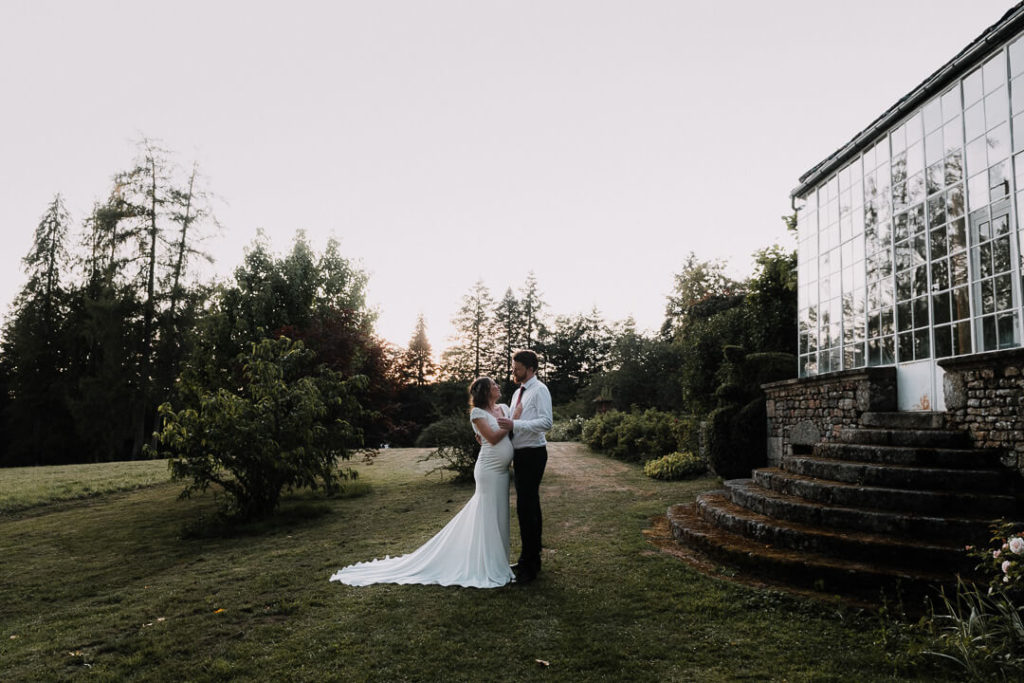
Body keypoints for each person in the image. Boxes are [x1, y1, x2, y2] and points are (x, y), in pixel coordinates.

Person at [329, 377, 516, 588]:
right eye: (493, 385)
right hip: (488, 471)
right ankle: (488, 563)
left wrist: (512, 424)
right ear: (485, 391)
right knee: (488, 513)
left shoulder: (504, 408)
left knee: (500, 515)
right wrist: (510, 424)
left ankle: (500, 561)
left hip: (502, 472)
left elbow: (505, 434)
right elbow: (492, 438)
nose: (498, 386)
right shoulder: (478, 413)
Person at [497, 349, 552, 584]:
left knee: (526, 508)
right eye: (513, 367)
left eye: (517, 368)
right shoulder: (517, 392)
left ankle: (529, 566)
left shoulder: (540, 390)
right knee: (527, 508)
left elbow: (546, 422)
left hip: (533, 454)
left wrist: (515, 425)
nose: (514, 371)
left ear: (530, 369)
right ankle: (529, 560)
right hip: (520, 454)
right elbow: (513, 423)